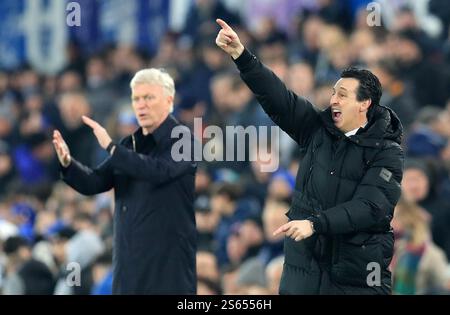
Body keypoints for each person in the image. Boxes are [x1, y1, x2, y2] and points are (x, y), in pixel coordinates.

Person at [215, 19, 404, 294]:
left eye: (343, 95)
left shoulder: (387, 152)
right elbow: (279, 98)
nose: (334, 100)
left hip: (354, 280)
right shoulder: (317, 129)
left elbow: (370, 208)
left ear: (365, 104)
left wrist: (315, 224)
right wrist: (242, 56)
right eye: (332, 93)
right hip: (302, 274)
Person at [52, 68, 197, 294]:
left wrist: (111, 148)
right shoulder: (129, 145)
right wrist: (68, 163)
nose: (141, 104)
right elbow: (95, 182)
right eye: (136, 99)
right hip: (129, 266)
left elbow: (159, 171)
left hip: (166, 268)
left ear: (169, 101)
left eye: (149, 97)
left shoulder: (182, 139)